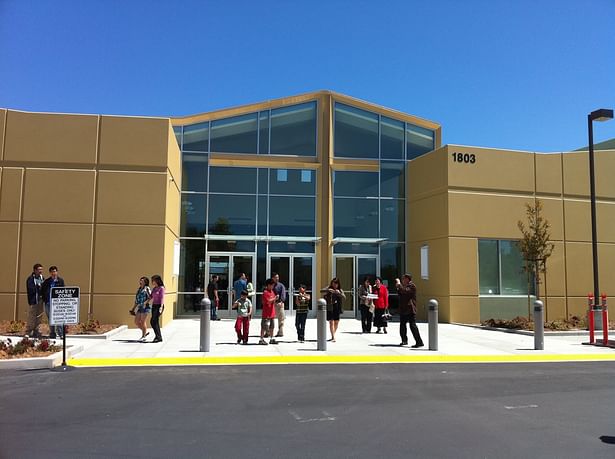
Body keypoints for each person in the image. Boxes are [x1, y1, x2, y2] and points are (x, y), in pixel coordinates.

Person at [395, 274, 424, 348]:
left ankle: (419, 342)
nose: (402, 280)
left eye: (404, 279)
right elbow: (401, 294)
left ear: (408, 279)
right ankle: (404, 340)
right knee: (402, 325)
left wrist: (399, 285)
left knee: (412, 326)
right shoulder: (404, 286)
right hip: (403, 309)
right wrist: (398, 288)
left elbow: (405, 292)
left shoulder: (412, 286)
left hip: (410, 309)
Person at [41, 266, 65, 339]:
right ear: (50, 273)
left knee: (59, 318)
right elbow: (43, 291)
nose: (53, 273)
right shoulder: (47, 281)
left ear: (57, 272)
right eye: (52, 272)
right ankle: (52, 333)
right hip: (48, 303)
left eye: (55, 271)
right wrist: (45, 300)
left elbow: (63, 291)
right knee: (51, 319)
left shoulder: (60, 281)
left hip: (57, 304)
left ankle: (61, 334)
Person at [25, 263, 45, 338]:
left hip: (40, 300)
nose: (41, 271)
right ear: (35, 270)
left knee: (39, 316)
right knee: (32, 316)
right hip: (34, 300)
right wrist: (38, 286)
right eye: (39, 269)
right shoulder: (30, 279)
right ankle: (28, 331)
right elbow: (30, 289)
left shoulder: (42, 278)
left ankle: (36, 331)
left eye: (41, 269)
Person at [324, 278, 345, 342]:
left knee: (336, 322)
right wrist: (328, 290)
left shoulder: (340, 290)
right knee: (331, 322)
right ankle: (333, 337)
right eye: (333, 283)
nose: (334, 285)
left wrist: (339, 293)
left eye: (336, 284)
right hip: (330, 307)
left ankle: (333, 334)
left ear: (338, 284)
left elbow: (344, 297)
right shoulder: (329, 288)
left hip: (337, 307)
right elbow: (321, 290)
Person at [133, 276, 152, 341]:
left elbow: (150, 297)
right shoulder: (139, 290)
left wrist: (145, 303)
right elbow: (137, 301)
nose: (140, 281)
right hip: (140, 307)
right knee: (136, 322)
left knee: (143, 321)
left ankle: (143, 336)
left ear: (145, 282)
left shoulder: (147, 288)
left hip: (145, 307)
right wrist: (133, 309)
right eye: (140, 280)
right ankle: (145, 332)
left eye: (142, 280)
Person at [259, 278, 277, 345]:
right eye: (272, 285)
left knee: (272, 326)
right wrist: (274, 298)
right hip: (266, 313)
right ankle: (261, 339)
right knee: (263, 326)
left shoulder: (272, 292)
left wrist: (275, 299)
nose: (273, 286)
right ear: (268, 285)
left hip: (271, 312)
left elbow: (273, 301)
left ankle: (271, 338)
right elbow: (268, 301)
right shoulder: (265, 292)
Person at [149, 274, 165, 343]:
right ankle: (158, 336)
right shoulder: (154, 288)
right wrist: (145, 303)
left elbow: (162, 298)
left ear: (157, 281)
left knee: (153, 321)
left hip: (159, 306)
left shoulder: (161, 288)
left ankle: (158, 336)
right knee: (154, 322)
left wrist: (161, 307)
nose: (152, 282)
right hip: (154, 306)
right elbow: (151, 296)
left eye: (153, 280)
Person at [272, 272, 287, 337]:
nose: (277, 278)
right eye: (276, 277)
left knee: (281, 318)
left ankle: (280, 332)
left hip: (279, 303)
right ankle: (268, 332)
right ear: (272, 278)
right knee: (269, 318)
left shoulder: (281, 286)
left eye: (278, 277)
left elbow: (283, 294)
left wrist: (281, 301)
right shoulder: (270, 285)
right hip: (271, 303)